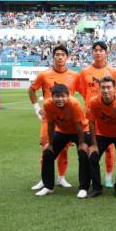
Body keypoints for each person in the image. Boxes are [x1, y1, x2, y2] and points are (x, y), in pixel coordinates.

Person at [28, 44, 78, 191]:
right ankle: (44, 179)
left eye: (63, 55)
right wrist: (37, 108)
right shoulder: (44, 75)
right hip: (49, 118)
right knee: (46, 149)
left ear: (67, 57)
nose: (60, 57)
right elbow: (31, 89)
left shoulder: (74, 75)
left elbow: (85, 91)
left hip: (67, 119)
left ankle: (61, 178)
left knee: (64, 150)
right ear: (53, 57)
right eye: (57, 54)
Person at [35, 84, 92, 198]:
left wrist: (82, 143)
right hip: (62, 130)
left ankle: (83, 188)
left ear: (68, 96)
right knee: (48, 153)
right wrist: (50, 144)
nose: (60, 99)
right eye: (57, 96)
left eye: (63, 96)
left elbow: (78, 125)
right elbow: (51, 124)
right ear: (52, 96)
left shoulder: (74, 103)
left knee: (83, 154)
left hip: (80, 130)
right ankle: (48, 186)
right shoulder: (48, 104)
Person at [77, 41, 116, 188]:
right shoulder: (85, 71)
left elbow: (115, 91)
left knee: (109, 148)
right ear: (92, 52)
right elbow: (83, 91)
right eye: (95, 50)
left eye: (101, 50)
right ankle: (92, 179)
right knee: (92, 146)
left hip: (108, 115)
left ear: (106, 52)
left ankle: (108, 176)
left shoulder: (113, 71)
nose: (98, 52)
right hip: (91, 114)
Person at [87, 76, 116, 198]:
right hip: (102, 134)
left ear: (114, 88)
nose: (106, 90)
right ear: (99, 89)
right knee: (92, 156)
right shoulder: (93, 102)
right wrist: (94, 144)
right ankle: (96, 188)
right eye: (103, 87)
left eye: (108, 87)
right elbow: (91, 123)